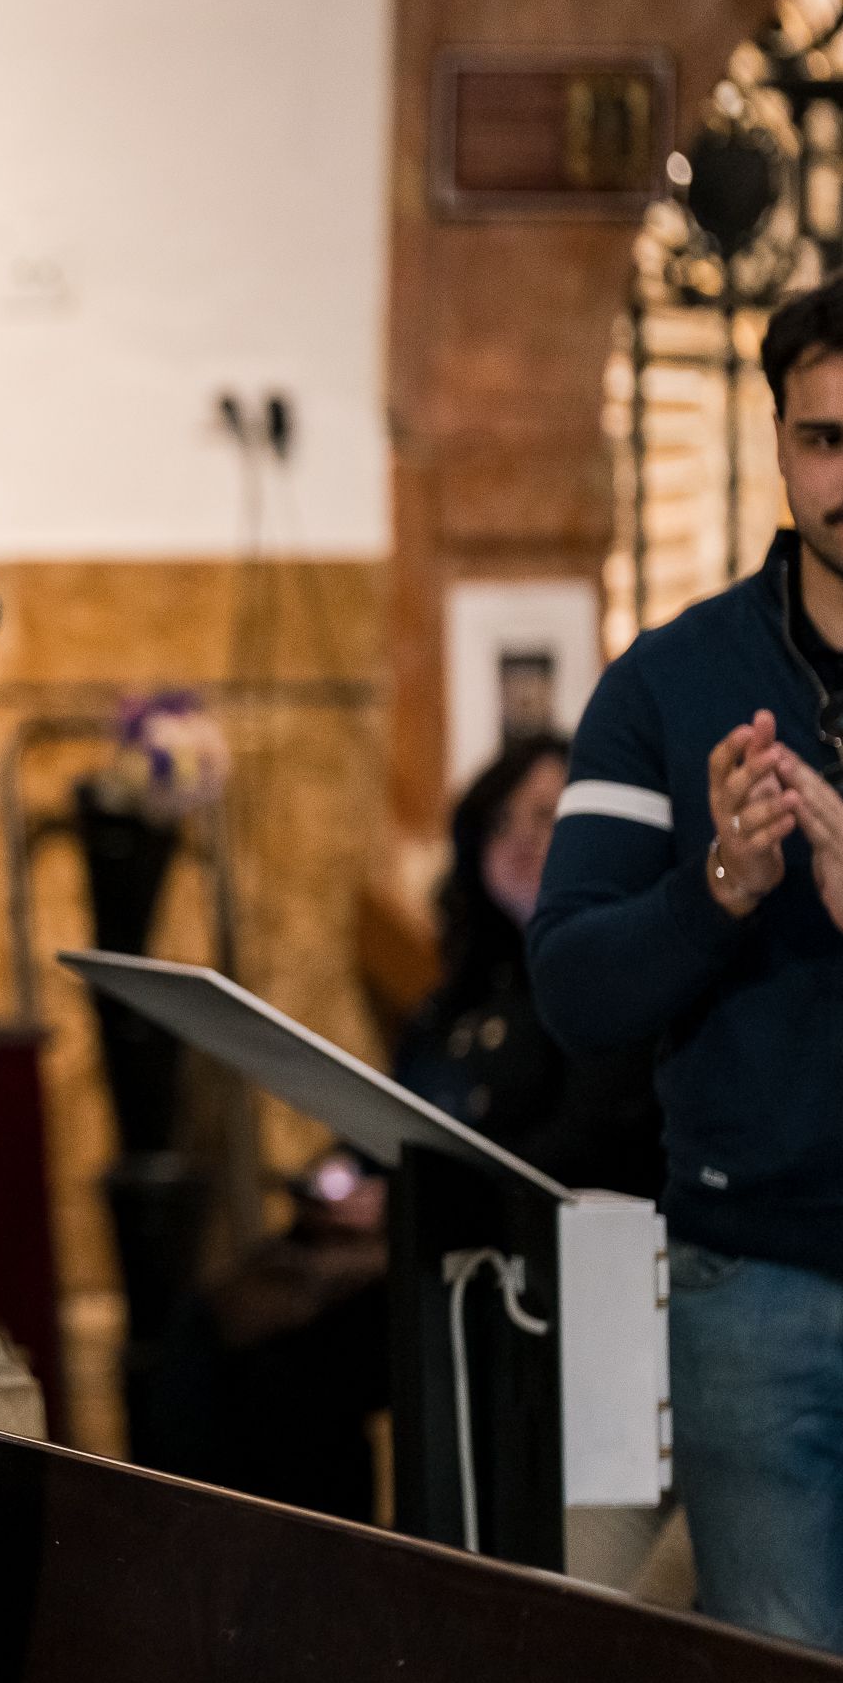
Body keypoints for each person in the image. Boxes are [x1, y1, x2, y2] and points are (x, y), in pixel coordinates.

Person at [530, 274, 843, 1652]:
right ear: (779, 444)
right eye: (825, 437)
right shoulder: (668, 682)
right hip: (752, 1275)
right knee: (774, 1643)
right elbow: (575, 985)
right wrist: (718, 887)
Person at [397, 736, 660, 1198]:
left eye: (544, 817)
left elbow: (588, 1146)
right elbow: (409, 1097)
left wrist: (426, 1190)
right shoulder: (477, 980)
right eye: (501, 822)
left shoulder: (616, 974)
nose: (519, 840)